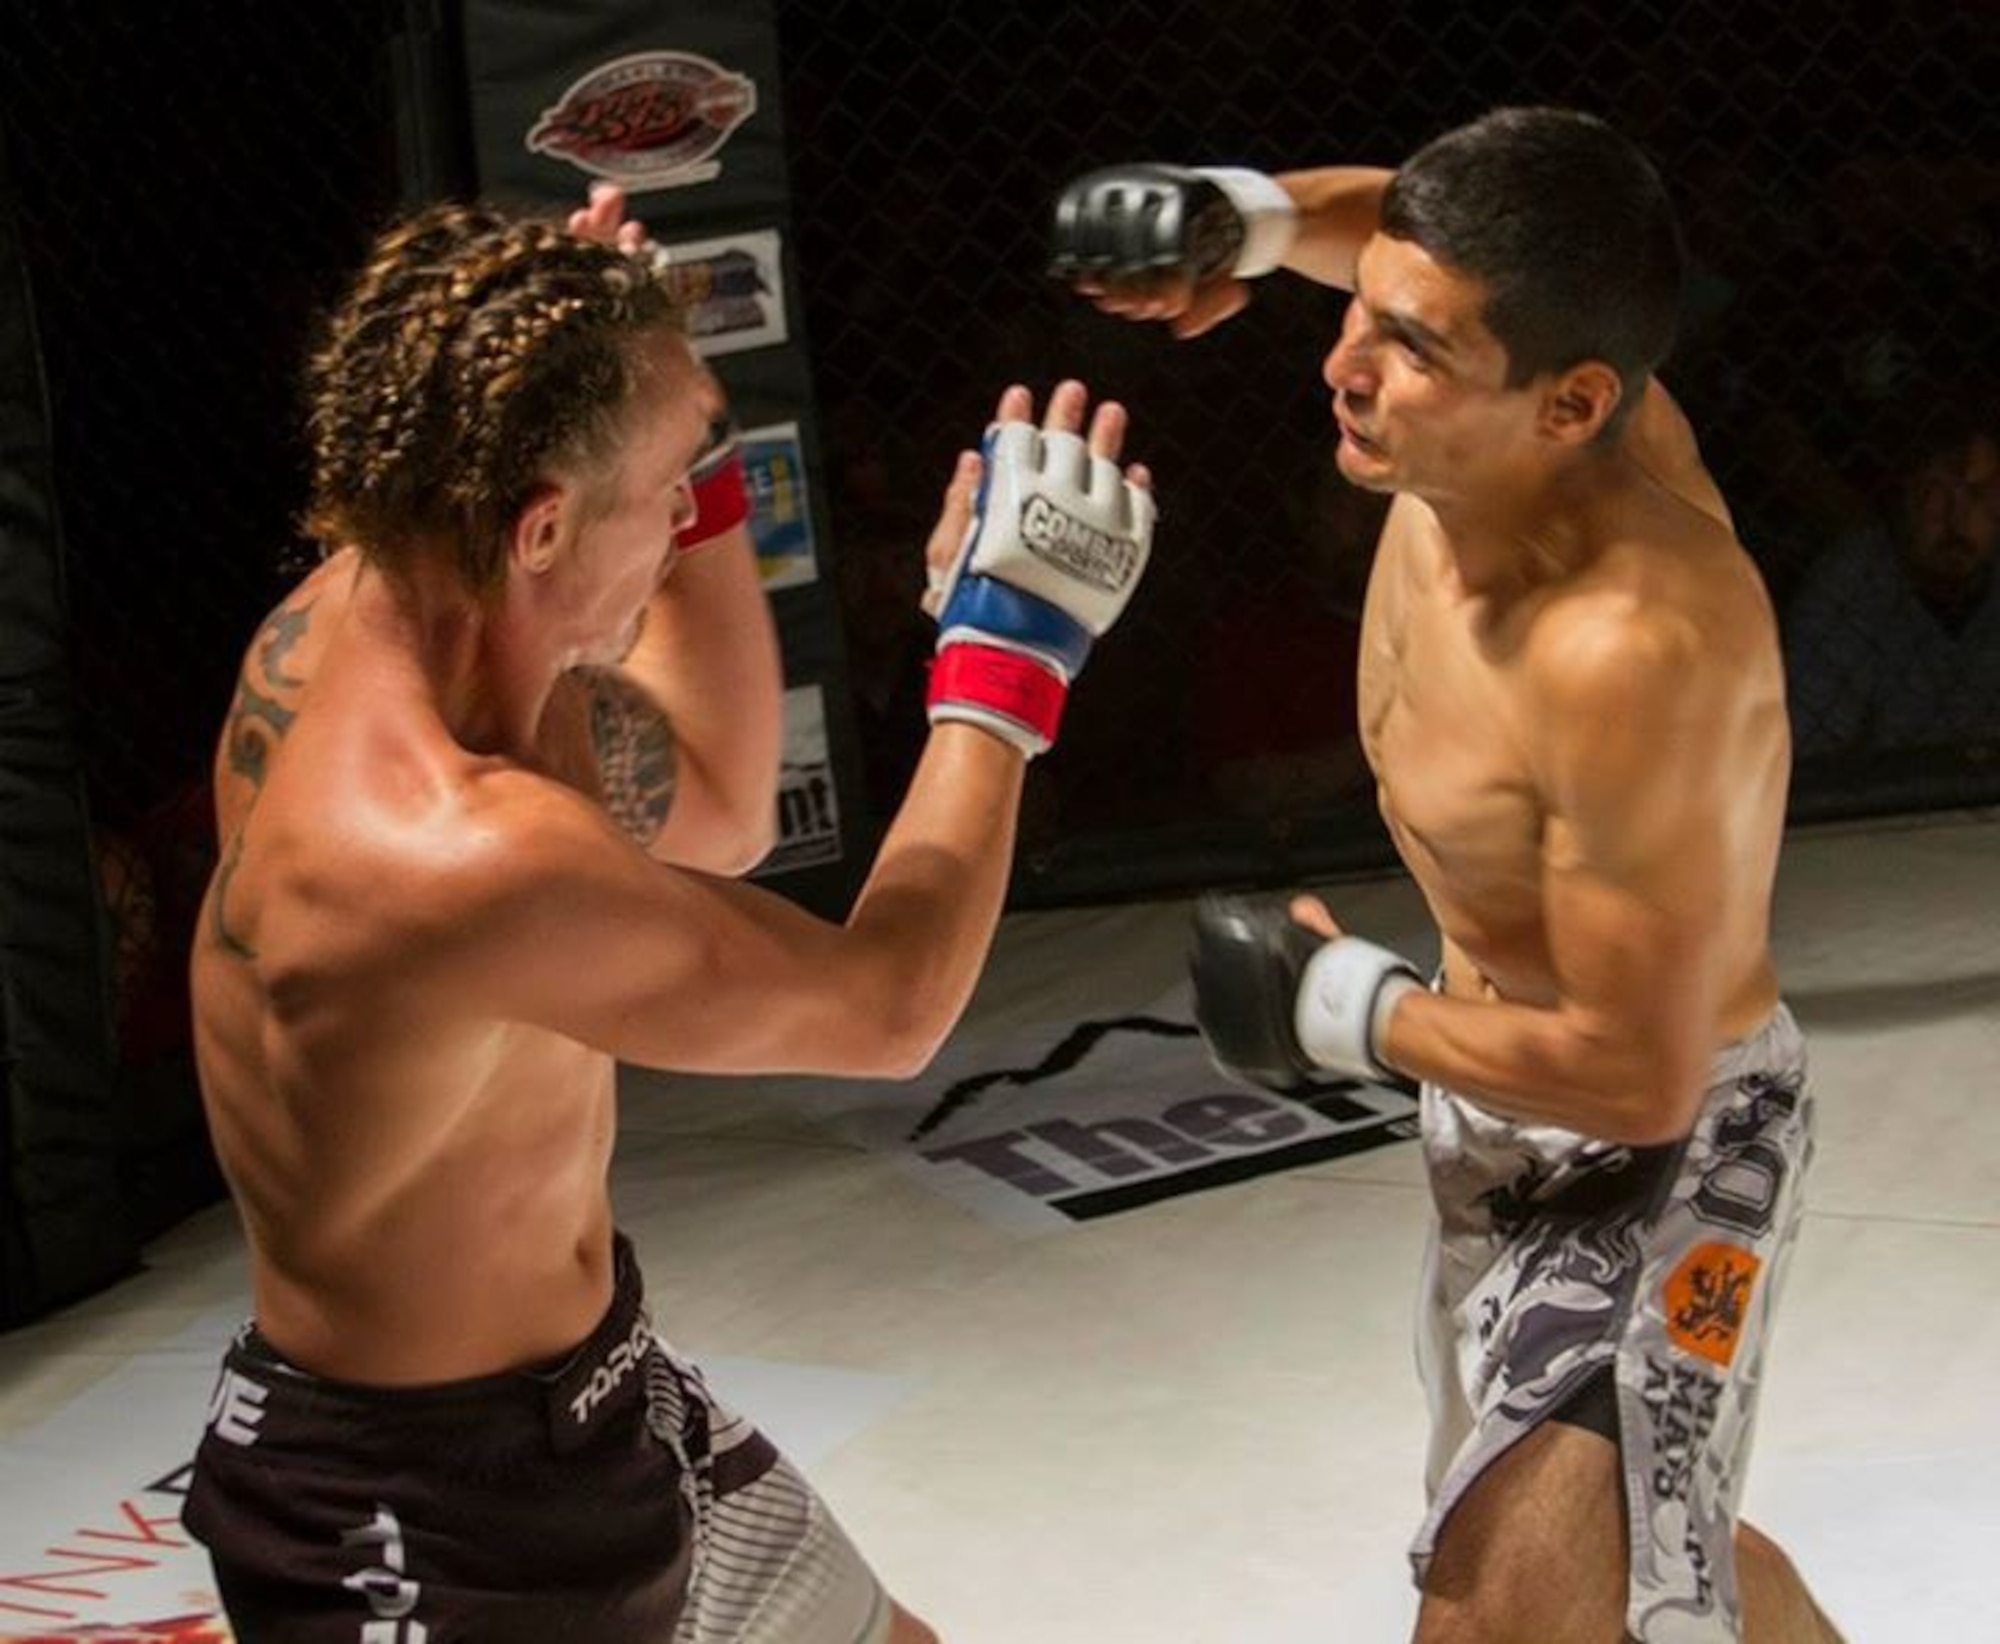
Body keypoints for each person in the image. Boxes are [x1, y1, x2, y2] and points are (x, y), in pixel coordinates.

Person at [184, 180, 1154, 1644]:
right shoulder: (458, 853)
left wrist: (627, 385)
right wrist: (1008, 655)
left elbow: (719, 801)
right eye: (678, 493)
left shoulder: (401, 615)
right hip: (423, 1525)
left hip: (599, 1392)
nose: (701, 519)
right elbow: (888, 1009)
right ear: (540, 526)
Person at [1051, 110, 1843, 1642]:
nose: (1344, 367)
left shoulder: (1630, 643)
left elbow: (1639, 1069)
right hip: (1489, 1113)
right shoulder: (1484, 424)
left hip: (1666, 1145)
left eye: (1411, 352)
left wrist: (1345, 1005)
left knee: (1499, 1610)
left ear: (1573, 407)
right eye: (1362, 315)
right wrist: (1254, 222)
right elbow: (1411, 237)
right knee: (1644, 1568)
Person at [1782, 391, 2000, 757]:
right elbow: (1810, 748)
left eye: (1977, 494)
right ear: (1904, 497)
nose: (1956, 518)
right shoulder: (1855, 579)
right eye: (1935, 492)